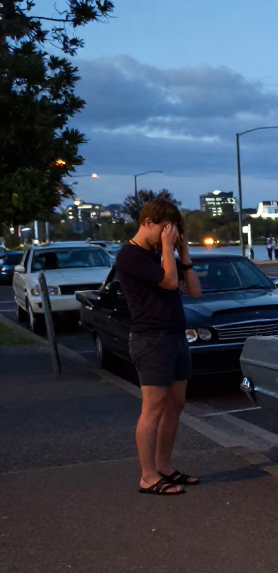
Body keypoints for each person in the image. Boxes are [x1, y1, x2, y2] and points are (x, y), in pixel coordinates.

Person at [115, 199, 202, 496]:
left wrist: (184, 252)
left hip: (176, 336)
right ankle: (148, 476)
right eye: (166, 229)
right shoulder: (130, 255)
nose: (169, 236)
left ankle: (164, 466)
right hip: (150, 339)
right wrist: (167, 249)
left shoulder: (159, 254)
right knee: (152, 408)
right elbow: (167, 283)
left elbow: (194, 290)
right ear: (149, 222)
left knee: (175, 405)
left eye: (173, 232)